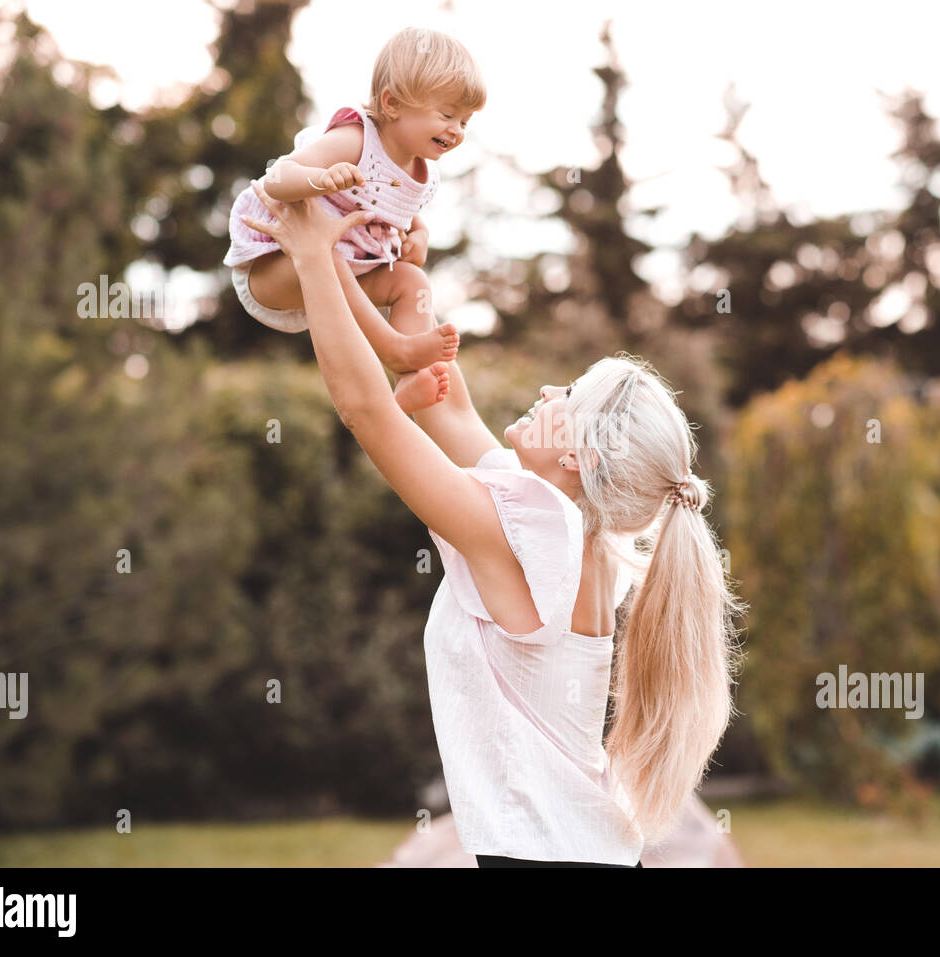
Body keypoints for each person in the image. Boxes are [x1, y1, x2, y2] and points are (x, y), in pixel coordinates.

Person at [238, 182, 746, 868]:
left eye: (566, 395)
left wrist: (311, 256)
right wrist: (402, 272)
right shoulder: (573, 531)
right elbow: (445, 400)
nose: (546, 391)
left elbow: (367, 410)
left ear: (577, 455)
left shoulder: (538, 538)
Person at [225, 26, 485, 415]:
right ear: (392, 103)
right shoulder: (355, 138)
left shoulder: (418, 171)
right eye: (447, 115)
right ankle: (395, 350)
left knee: (411, 279)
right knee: (327, 255)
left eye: (464, 121)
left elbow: (400, 210)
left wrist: (421, 234)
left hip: (339, 278)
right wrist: (318, 180)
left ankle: (410, 381)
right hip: (272, 269)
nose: (456, 131)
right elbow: (276, 179)